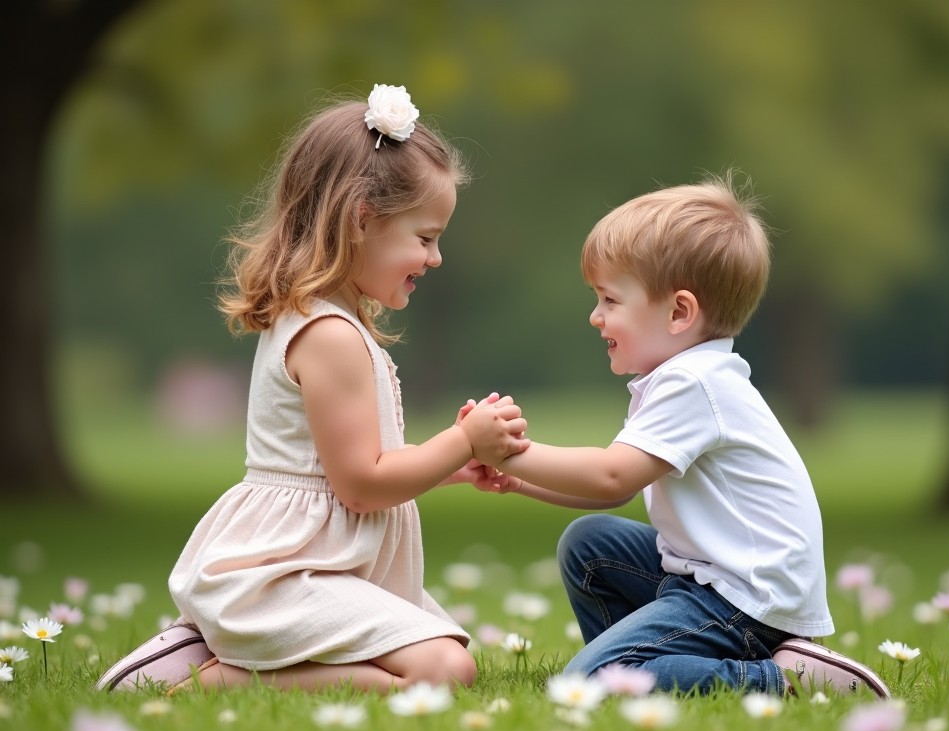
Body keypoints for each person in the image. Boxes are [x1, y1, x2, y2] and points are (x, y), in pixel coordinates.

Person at [96, 84, 529, 694]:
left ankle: (228, 655)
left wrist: (450, 466)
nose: (434, 258)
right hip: (285, 573)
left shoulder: (331, 323)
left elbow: (351, 467)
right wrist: (460, 442)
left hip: (324, 565)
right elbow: (359, 486)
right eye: (425, 237)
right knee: (444, 669)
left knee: (439, 660)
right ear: (361, 220)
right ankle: (208, 680)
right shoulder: (328, 336)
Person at [475, 175, 890, 699]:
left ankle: (780, 679)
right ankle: (641, 667)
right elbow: (621, 489)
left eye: (609, 299)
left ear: (678, 313)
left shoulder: (694, 383)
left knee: (588, 682)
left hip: (745, 599)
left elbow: (610, 475)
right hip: (714, 578)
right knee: (590, 546)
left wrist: (511, 452)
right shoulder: (687, 377)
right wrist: (516, 479)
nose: (595, 315)